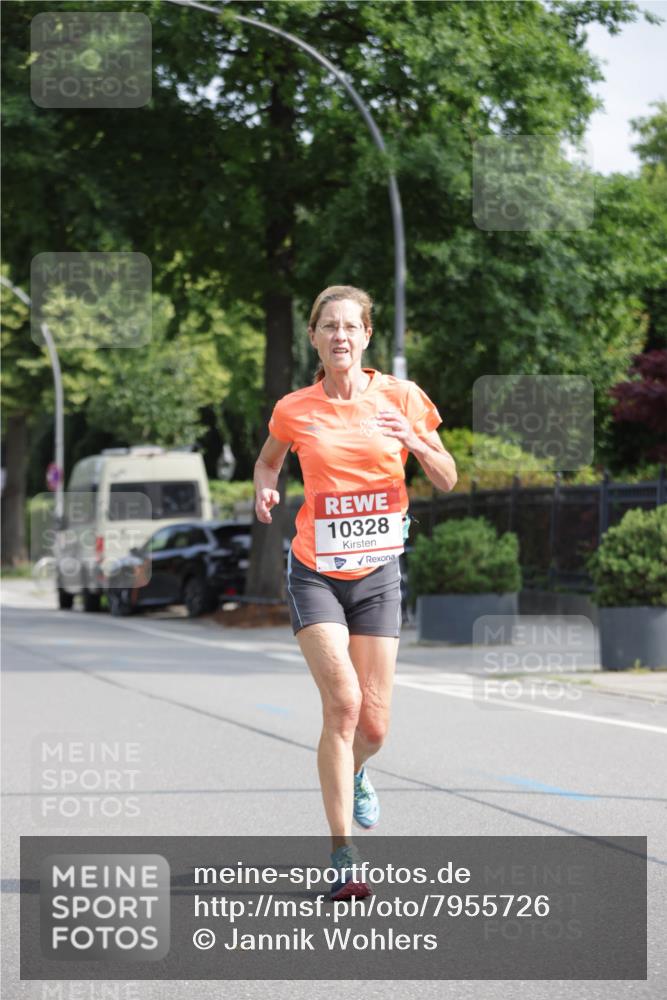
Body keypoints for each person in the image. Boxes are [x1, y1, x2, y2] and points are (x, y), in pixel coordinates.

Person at [253, 285, 457, 900]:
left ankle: (358, 770)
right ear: (313, 338)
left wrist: (415, 440)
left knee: (374, 726)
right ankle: (343, 854)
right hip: (315, 571)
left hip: (377, 577)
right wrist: (265, 487)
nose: (339, 336)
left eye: (350, 326)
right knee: (342, 705)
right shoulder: (295, 408)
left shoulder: (402, 397)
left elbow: (447, 477)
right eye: (328, 326)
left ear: (367, 335)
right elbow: (269, 460)